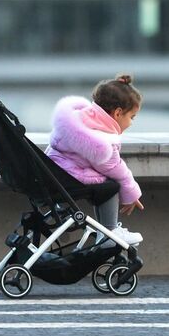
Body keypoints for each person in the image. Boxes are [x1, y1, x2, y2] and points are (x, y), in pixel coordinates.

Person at [46, 74, 146, 246]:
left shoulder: (78, 120)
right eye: (132, 117)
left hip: (55, 171)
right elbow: (116, 168)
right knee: (110, 186)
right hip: (67, 177)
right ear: (117, 113)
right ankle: (109, 233)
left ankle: (104, 232)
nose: (131, 123)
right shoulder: (101, 141)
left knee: (104, 186)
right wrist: (131, 193)